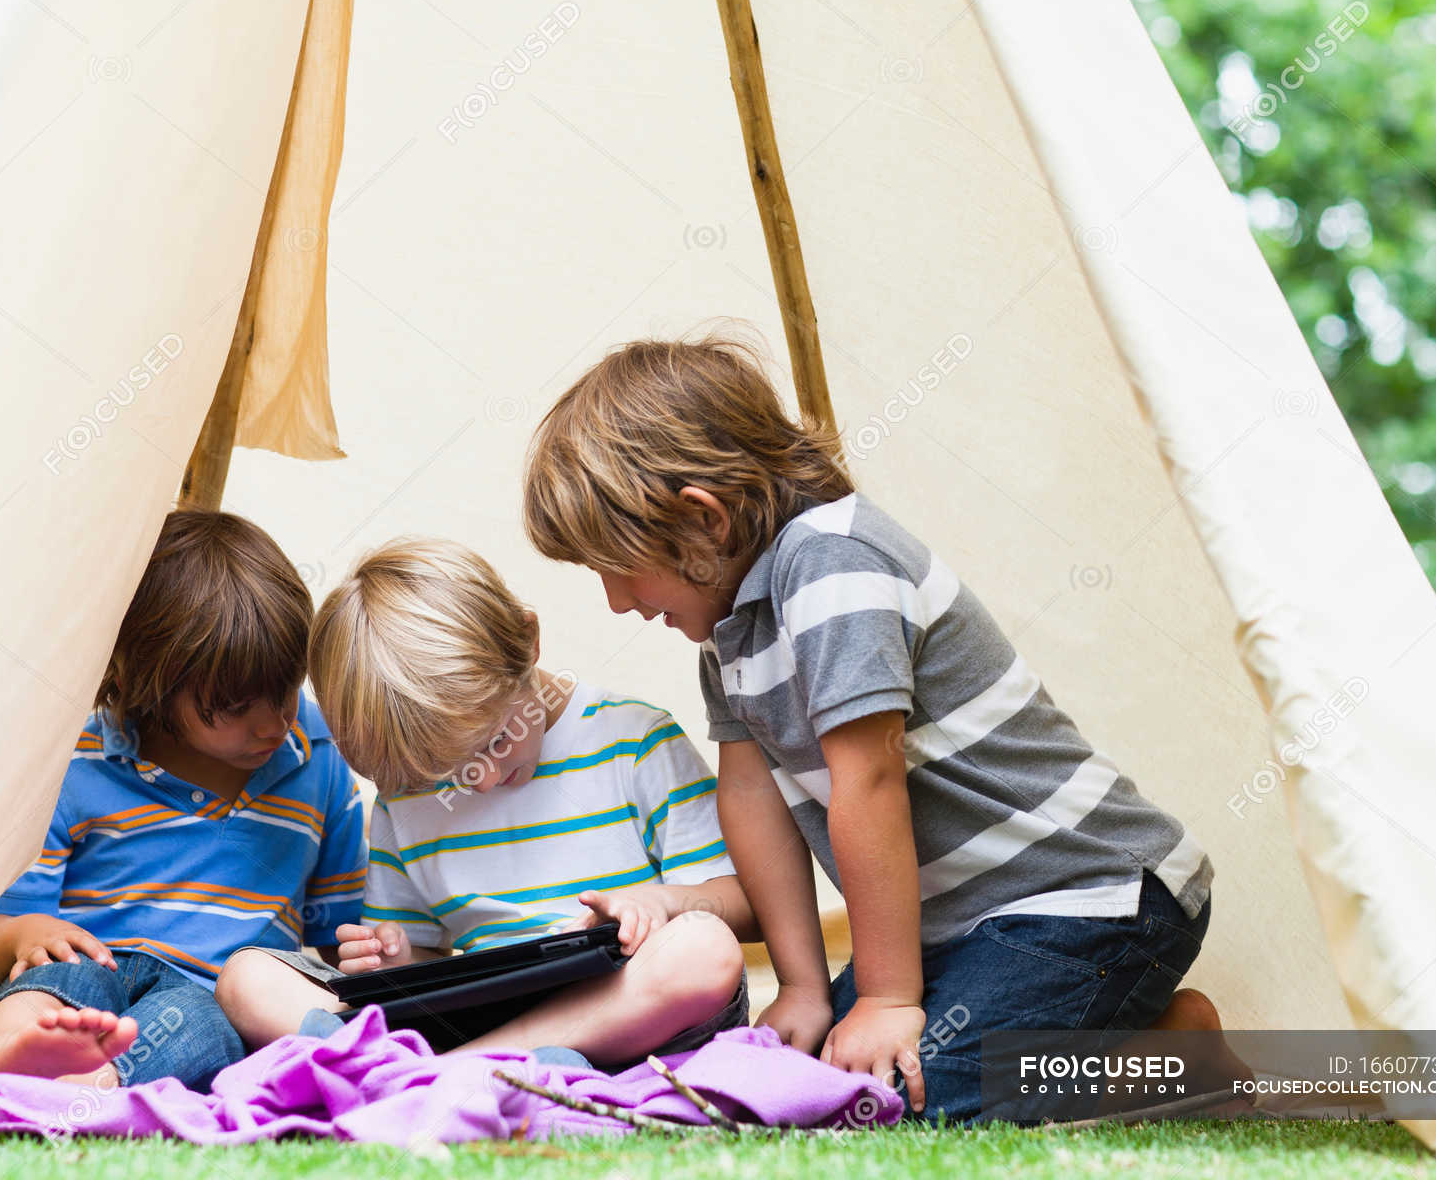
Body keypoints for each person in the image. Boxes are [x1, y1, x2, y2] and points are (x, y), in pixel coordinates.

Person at [521, 333, 1223, 1120]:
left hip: (1088, 895)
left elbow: (869, 780)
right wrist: (804, 987)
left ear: (703, 520)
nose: (618, 600)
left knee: (896, 1100)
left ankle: (1173, 1060)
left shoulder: (833, 562)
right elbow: (753, 803)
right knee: (814, 1087)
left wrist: (887, 996)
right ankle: (1156, 1041)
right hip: (958, 931)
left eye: (616, 565)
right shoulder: (730, 636)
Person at [0, 510, 365, 1125]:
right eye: (237, 707)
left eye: (287, 689)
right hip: (94, 966)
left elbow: (334, 942)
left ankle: (70, 1089)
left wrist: (367, 953)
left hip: (214, 992)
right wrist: (25, 936)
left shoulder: (319, 758)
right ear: (152, 683)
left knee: (206, 1027)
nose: (272, 724)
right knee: (60, 987)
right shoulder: (72, 764)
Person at [214, 538, 755, 1068]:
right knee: (247, 978)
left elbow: (742, 905)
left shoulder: (635, 741)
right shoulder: (407, 793)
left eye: (498, 740)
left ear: (529, 639)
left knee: (704, 949)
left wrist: (661, 904)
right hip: (480, 1017)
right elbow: (423, 957)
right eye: (448, 771)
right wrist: (396, 959)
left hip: (625, 1009)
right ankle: (473, 1066)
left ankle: (435, 1073)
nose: (486, 778)